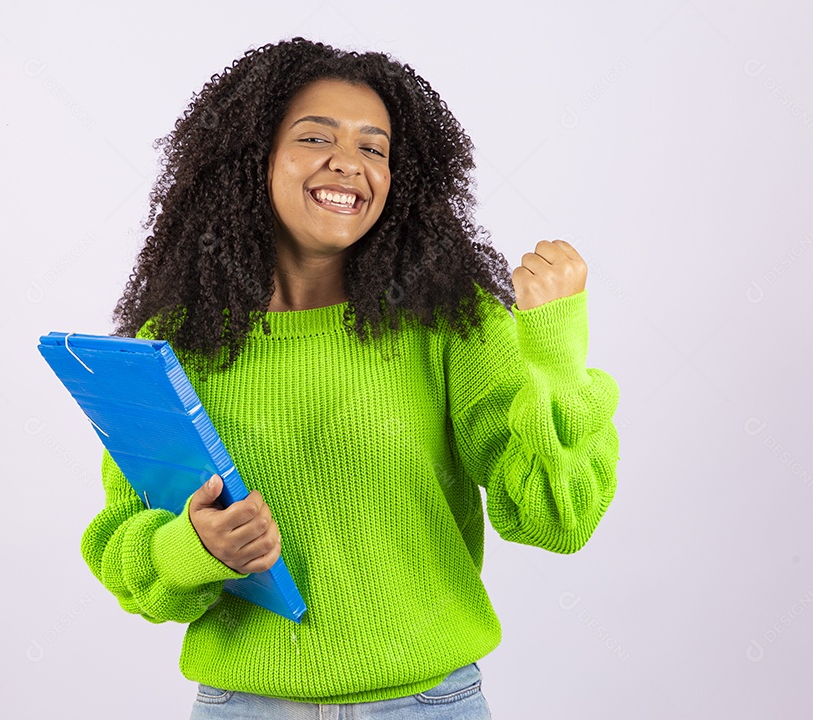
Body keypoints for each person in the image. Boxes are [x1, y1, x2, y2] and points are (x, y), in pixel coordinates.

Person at [80, 37, 620, 719]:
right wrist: (197, 548)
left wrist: (556, 358)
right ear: (252, 160)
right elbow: (126, 549)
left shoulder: (450, 322)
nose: (348, 163)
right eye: (315, 137)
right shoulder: (176, 342)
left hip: (429, 704)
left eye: (374, 148)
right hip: (245, 706)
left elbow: (558, 518)